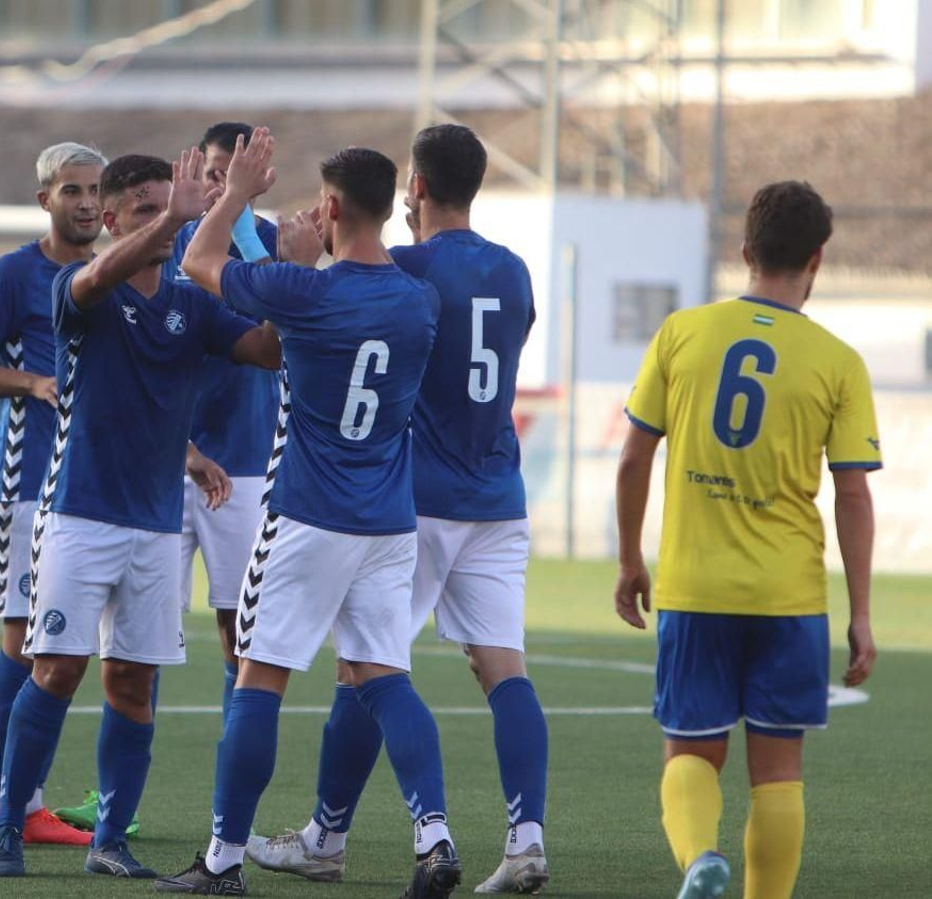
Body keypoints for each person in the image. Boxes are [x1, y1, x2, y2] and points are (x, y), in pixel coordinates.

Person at [154, 130, 461, 898]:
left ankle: (222, 860)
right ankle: (435, 836)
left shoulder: (306, 292)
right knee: (384, 674)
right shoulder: (419, 303)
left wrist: (240, 199)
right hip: (389, 522)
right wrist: (300, 264)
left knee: (259, 679)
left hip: (306, 514)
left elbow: (198, 263)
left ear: (328, 207)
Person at [247, 123, 550, 894]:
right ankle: (525, 837)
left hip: (416, 498)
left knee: (365, 668)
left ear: (413, 189)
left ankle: (325, 835)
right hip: (499, 495)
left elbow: (341, 305)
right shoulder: (514, 272)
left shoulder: (406, 267)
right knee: (503, 667)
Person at [0, 151, 280, 880]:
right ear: (110, 219)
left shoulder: (193, 304)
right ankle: (7, 826)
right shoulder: (79, 289)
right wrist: (188, 212)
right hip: (79, 515)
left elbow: (269, 349)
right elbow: (96, 277)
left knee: (133, 680)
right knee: (55, 668)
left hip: (154, 524)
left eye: (165, 206)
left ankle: (111, 839)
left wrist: (284, 272)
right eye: (144, 208)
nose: (161, 218)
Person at [614, 181, 879, 899]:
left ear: (746, 253)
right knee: (778, 770)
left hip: (696, 586)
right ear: (817, 259)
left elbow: (634, 457)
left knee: (691, 750)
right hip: (788, 595)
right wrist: (859, 611)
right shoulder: (838, 360)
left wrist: (630, 557)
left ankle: (700, 856)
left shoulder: (682, 332)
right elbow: (853, 491)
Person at [0, 141, 107, 851]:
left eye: (94, 190)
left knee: (64, 649)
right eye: (71, 190)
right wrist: (32, 384)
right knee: (22, 641)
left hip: (94, 488)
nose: (85, 202)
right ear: (45, 199)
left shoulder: (114, 275)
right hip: (24, 483)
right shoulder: (14, 274)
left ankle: (30, 799)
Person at [170, 121, 281, 717]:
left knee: (239, 632)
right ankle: (116, 804)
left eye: (233, 175)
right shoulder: (165, 243)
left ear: (258, 178)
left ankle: (229, 801)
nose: (220, 185)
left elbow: (287, 342)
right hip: (165, 460)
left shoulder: (276, 246)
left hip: (244, 462)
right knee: (139, 638)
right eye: (214, 173)